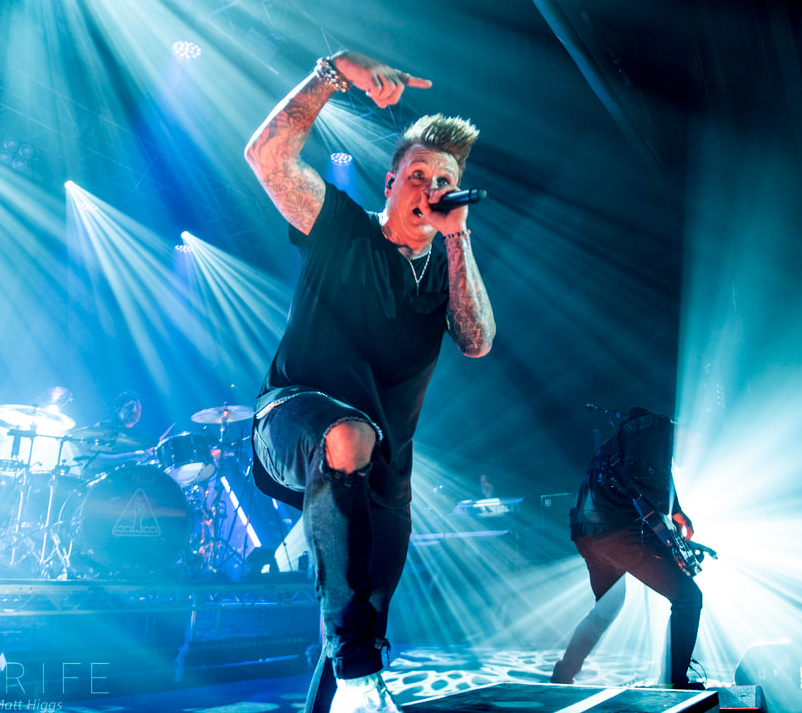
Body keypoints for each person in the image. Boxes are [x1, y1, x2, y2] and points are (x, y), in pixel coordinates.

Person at [244, 49, 496, 713]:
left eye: (443, 180)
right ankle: (358, 672)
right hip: (293, 419)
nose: (430, 189)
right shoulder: (341, 229)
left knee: (362, 610)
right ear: (389, 184)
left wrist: (457, 239)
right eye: (417, 175)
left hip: (383, 465)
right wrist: (331, 73)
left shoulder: (446, 269)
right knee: (348, 434)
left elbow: (476, 341)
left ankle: (348, 686)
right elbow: (266, 158)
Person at [550, 407, 702, 688]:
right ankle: (674, 684)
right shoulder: (657, 427)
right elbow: (642, 480)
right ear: (688, 429)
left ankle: (562, 675)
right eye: (697, 443)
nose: (696, 452)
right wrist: (670, 545)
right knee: (688, 599)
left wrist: (676, 511)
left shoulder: (636, 437)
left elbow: (646, 480)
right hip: (616, 532)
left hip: (587, 534)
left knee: (608, 605)